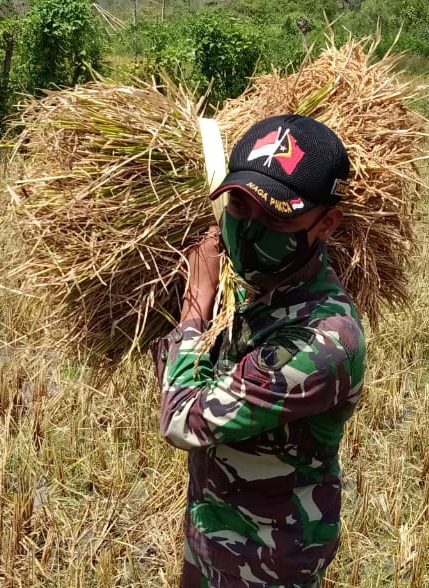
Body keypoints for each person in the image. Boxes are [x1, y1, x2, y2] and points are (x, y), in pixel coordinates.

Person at [153, 114, 366, 587]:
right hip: (211, 528)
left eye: (275, 218)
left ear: (326, 222)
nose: (249, 232)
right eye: (240, 209)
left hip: (269, 559)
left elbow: (181, 420)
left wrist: (194, 306)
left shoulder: (322, 341)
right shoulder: (257, 289)